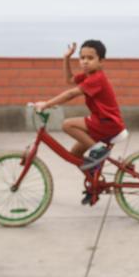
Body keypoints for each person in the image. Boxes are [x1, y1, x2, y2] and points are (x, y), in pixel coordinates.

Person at [33, 39, 126, 175]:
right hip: (100, 122)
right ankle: (94, 185)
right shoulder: (89, 76)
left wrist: (46, 104)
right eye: (82, 58)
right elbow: (69, 80)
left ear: (101, 61)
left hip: (107, 123)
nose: (85, 61)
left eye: (90, 58)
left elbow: (71, 93)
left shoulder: (97, 79)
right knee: (75, 155)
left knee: (67, 125)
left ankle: (99, 149)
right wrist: (66, 58)